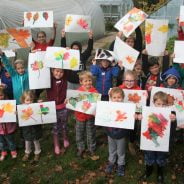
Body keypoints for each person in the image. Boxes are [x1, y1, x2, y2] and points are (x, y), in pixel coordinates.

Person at [140, 91, 176, 184]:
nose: (161, 107)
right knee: (149, 155)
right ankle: (149, 170)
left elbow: (171, 130)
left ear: (167, 105)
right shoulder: (148, 113)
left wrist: (173, 121)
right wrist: (141, 118)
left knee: (161, 157)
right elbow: (144, 127)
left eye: (163, 105)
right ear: (153, 102)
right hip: (150, 139)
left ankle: (160, 172)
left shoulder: (169, 115)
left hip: (162, 141)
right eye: (158, 104)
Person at [105, 87, 135, 176]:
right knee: (111, 149)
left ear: (123, 98)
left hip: (121, 134)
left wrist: (133, 117)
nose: (117, 99)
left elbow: (129, 120)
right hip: (110, 133)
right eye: (114, 97)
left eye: (119, 97)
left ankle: (121, 164)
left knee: (121, 151)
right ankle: (111, 162)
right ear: (111, 98)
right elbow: (102, 118)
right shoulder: (107, 107)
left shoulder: (127, 109)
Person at [73, 71, 97, 157]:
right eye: (85, 81)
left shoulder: (94, 92)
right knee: (79, 133)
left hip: (90, 117)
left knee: (91, 133)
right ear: (81, 82)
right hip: (80, 117)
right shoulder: (78, 92)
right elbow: (73, 102)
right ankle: (81, 148)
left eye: (89, 80)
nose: (88, 82)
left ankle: (91, 148)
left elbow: (96, 104)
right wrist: (68, 101)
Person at [46, 68, 69, 155]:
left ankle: (65, 138)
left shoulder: (65, 79)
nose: (59, 73)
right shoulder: (48, 80)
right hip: (52, 108)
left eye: (61, 72)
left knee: (64, 125)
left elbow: (67, 67)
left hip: (63, 108)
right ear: (52, 71)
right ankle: (56, 144)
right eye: (57, 71)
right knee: (55, 127)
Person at [119, 70, 141, 155]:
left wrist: (144, 96)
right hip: (122, 114)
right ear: (123, 80)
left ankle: (131, 143)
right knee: (122, 129)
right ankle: (122, 142)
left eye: (131, 80)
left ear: (135, 81)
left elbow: (140, 104)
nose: (129, 83)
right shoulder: (119, 88)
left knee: (133, 129)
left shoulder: (138, 90)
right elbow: (114, 97)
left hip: (133, 115)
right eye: (127, 80)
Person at [21, 90, 42, 162]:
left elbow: (40, 110)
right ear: (23, 100)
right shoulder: (21, 108)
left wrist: (40, 104)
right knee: (27, 140)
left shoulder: (35, 106)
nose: (29, 102)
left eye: (31, 100)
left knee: (36, 140)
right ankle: (27, 152)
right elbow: (20, 117)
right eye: (27, 100)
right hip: (27, 129)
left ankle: (37, 152)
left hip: (35, 128)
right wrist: (16, 113)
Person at [0, 88, 17, 161]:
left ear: (4, 95)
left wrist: (14, 113)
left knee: (10, 140)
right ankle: (3, 152)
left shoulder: (9, 103)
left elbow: (12, 114)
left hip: (8, 127)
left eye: (1, 95)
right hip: (0, 129)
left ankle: (13, 151)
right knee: (1, 142)